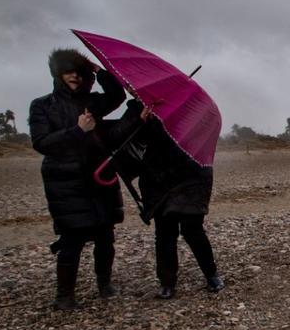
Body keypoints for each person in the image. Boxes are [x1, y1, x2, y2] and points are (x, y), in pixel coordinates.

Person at [29, 49, 127, 310]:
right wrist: (77, 131)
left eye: (78, 71)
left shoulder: (92, 102)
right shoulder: (42, 105)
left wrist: (98, 70)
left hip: (98, 177)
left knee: (105, 235)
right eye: (68, 71)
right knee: (72, 239)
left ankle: (104, 284)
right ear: (58, 74)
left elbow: (118, 95)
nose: (74, 76)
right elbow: (41, 142)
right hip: (65, 181)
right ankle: (64, 295)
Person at [116, 98, 223, 299]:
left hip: (191, 174)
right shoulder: (135, 109)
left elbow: (202, 132)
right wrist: (139, 121)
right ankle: (167, 283)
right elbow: (118, 138)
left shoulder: (184, 103)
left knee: (193, 229)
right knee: (165, 232)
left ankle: (211, 274)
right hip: (157, 178)